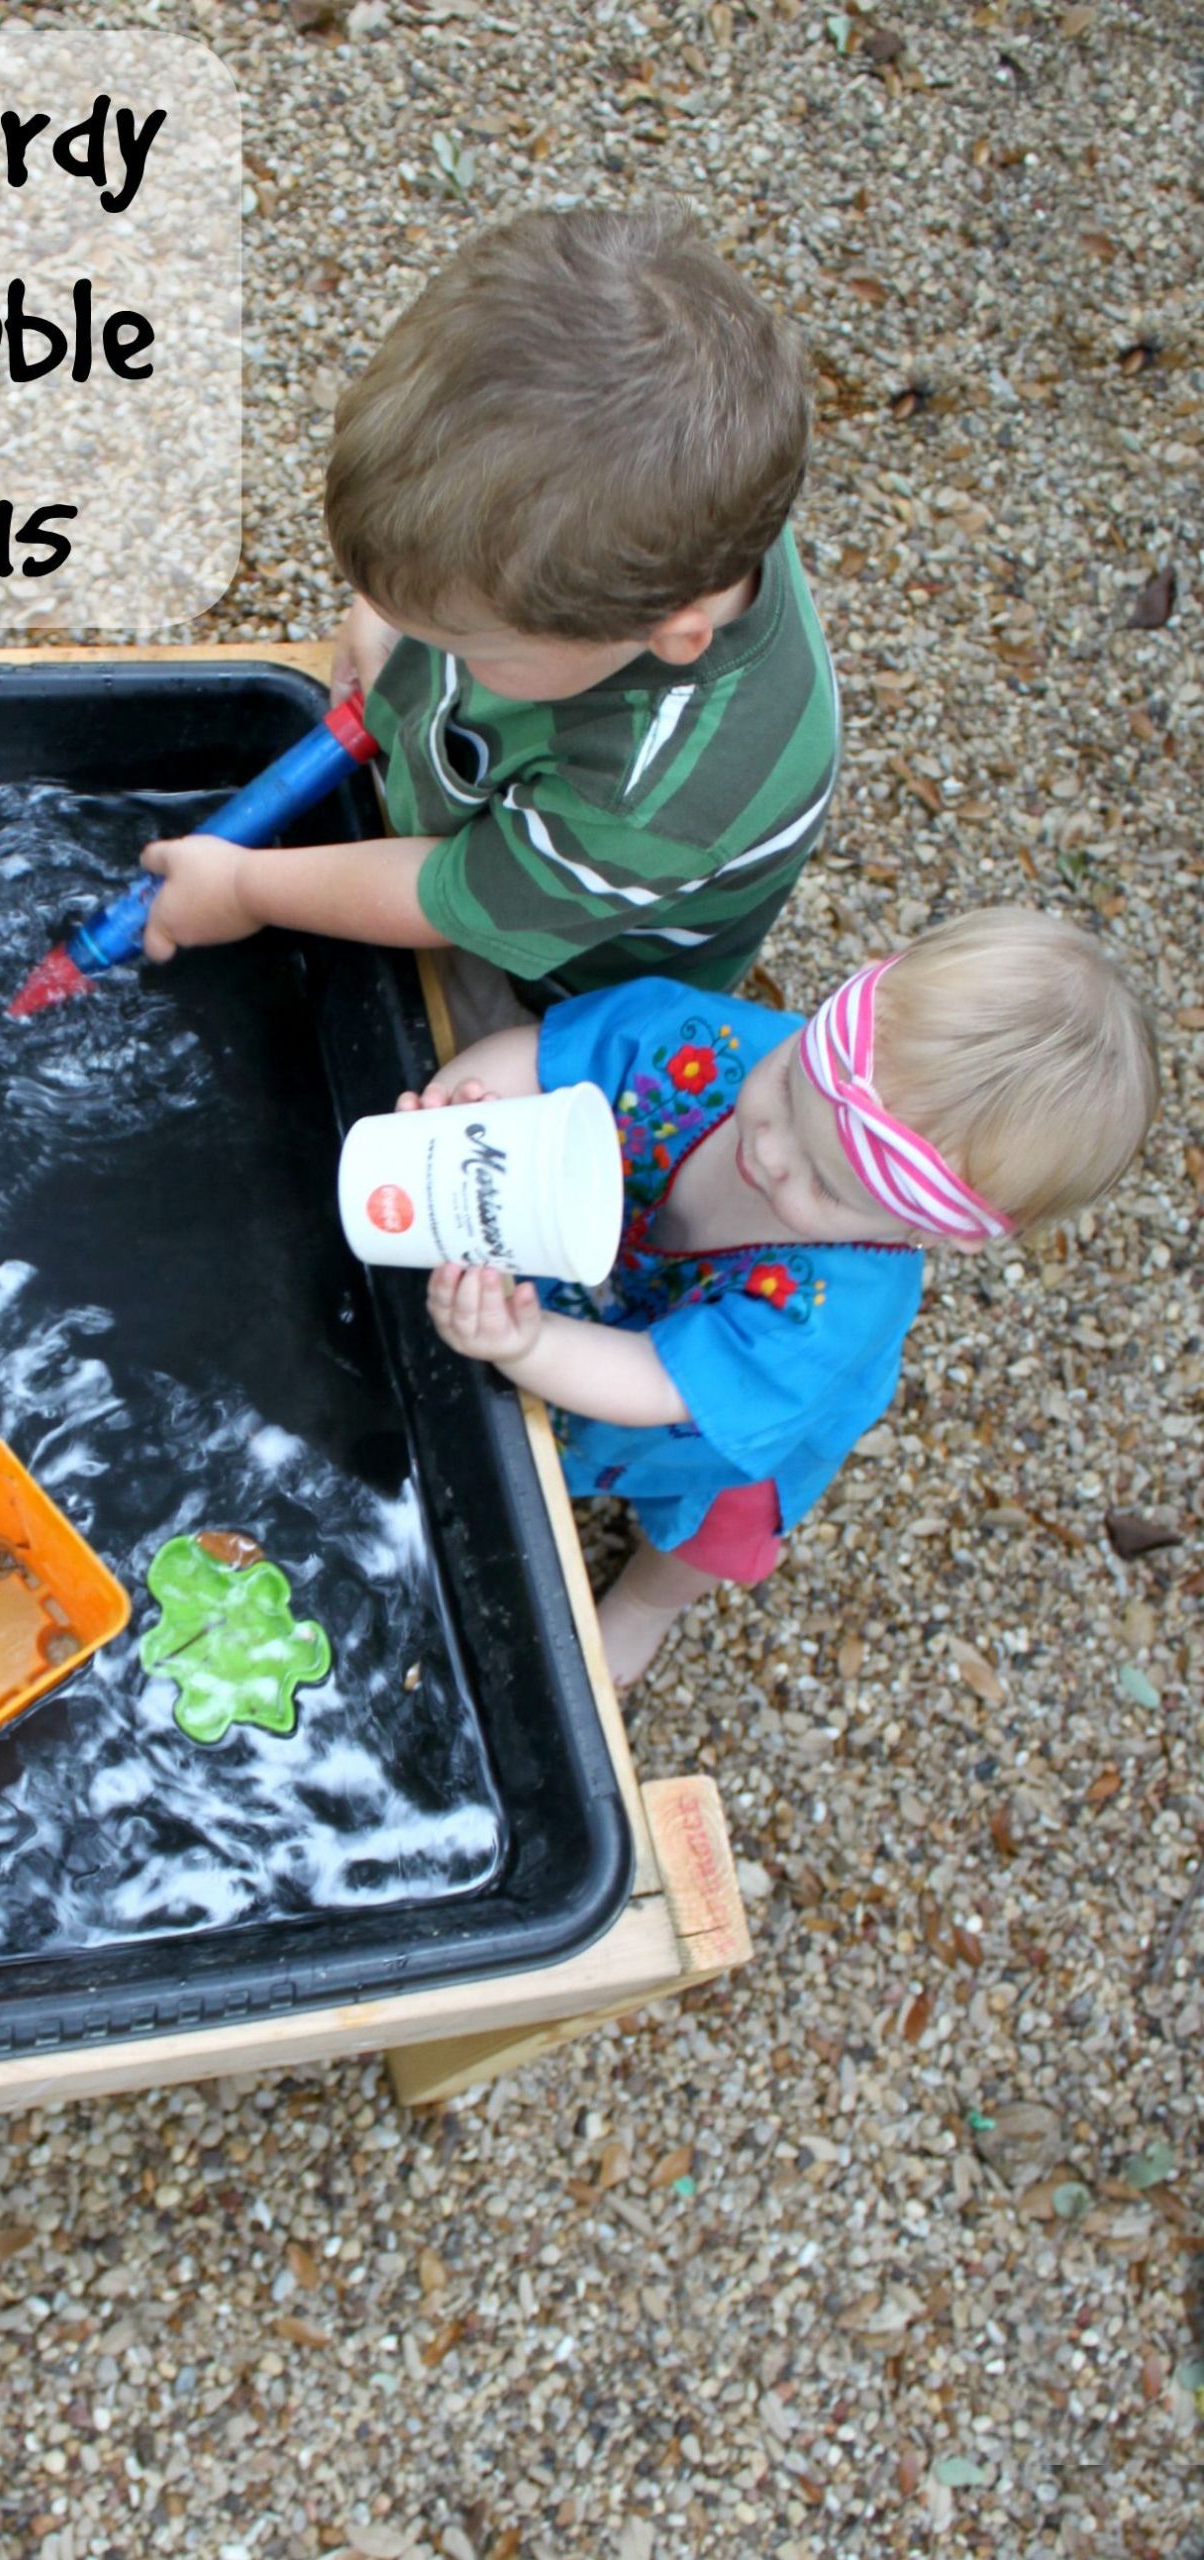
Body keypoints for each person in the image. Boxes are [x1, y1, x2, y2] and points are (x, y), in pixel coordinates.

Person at [405, 911, 1159, 1687]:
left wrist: (527, 1347)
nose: (767, 1149)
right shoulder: (707, 1043)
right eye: (791, 1087)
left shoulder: (832, 1317)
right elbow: (545, 1060)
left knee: (715, 1525)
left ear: (949, 1232)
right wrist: (462, 1122)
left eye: (825, 1183)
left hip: (711, 1405)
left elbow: (659, 1383)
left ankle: (646, 1606)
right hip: (618, 1301)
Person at [140, 204, 839, 1029]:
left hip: (556, 966)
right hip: (498, 802)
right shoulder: (666, 521)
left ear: (669, 633)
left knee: (437, 1029)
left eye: (466, 647)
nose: (431, 651)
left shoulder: (657, 794)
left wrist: (244, 888)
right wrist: (388, 607)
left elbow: (448, 896)